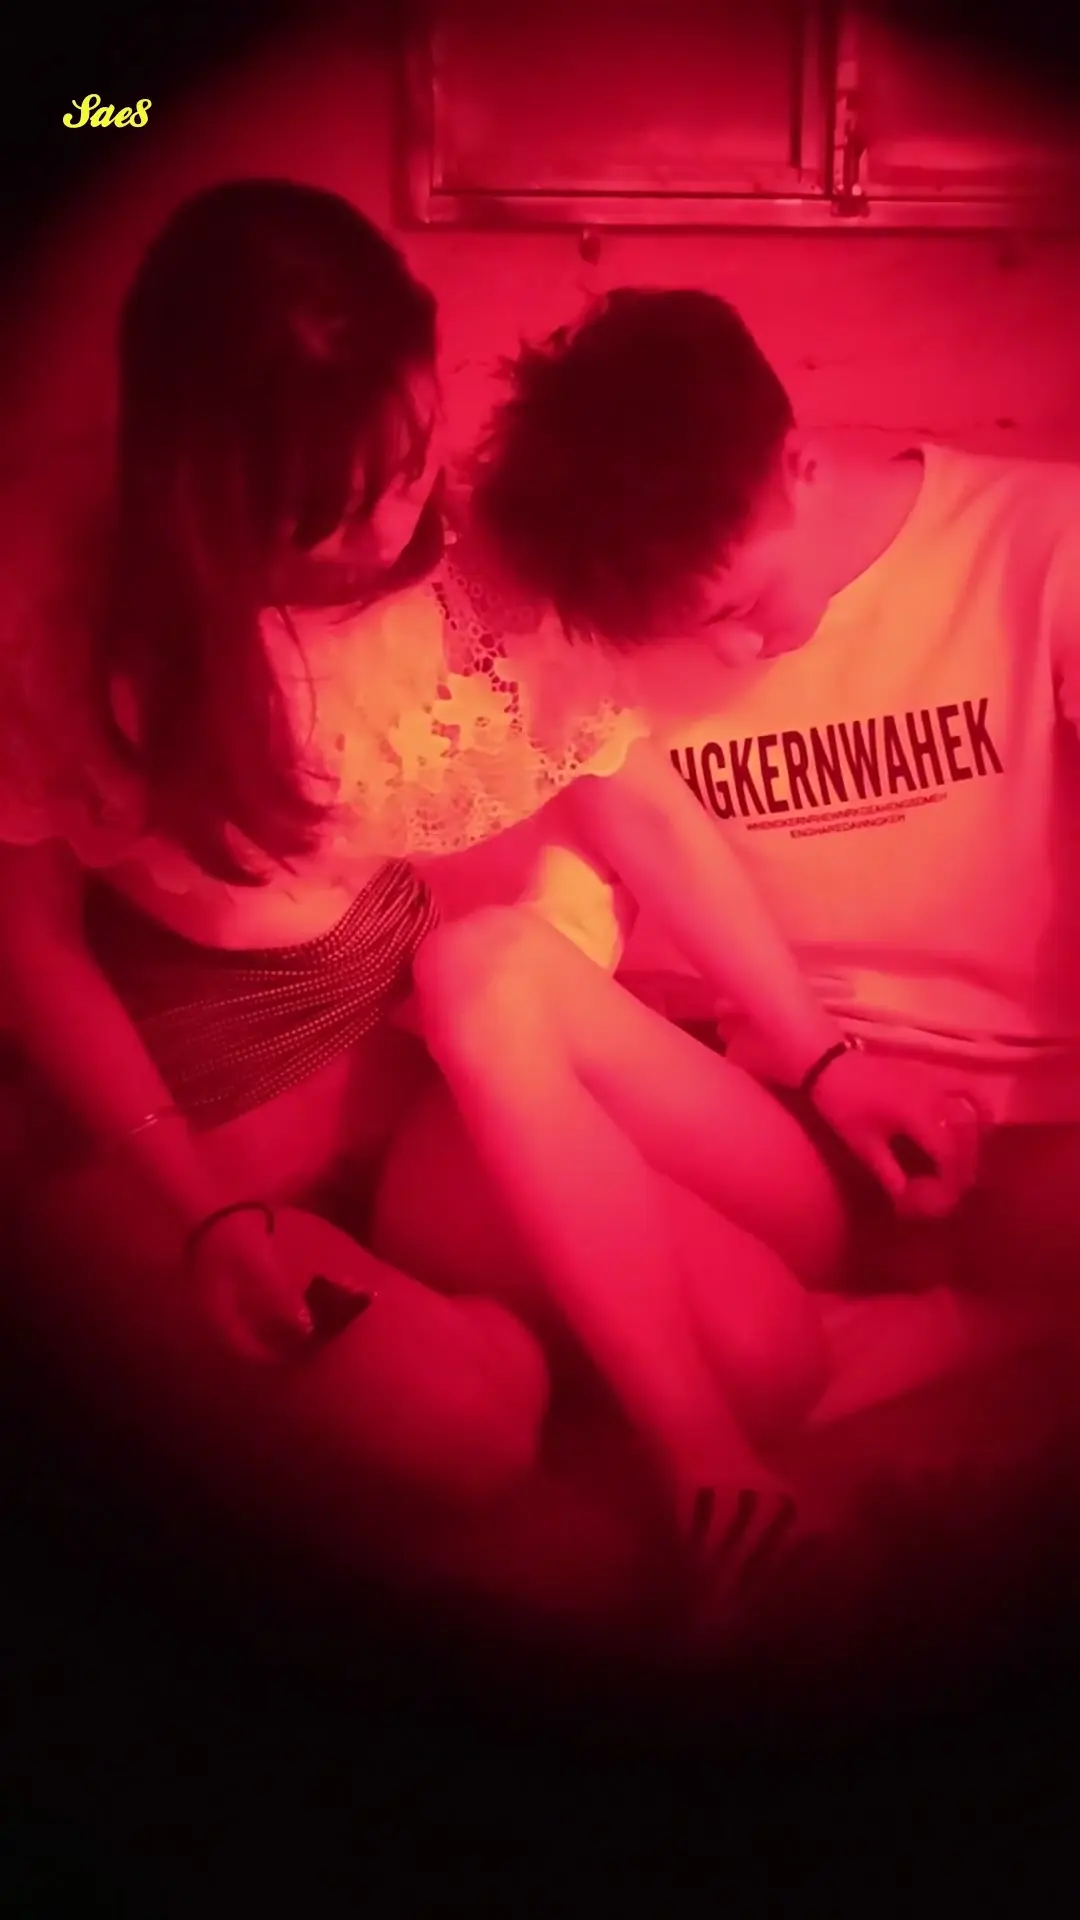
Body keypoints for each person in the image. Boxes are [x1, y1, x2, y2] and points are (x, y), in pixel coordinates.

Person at [0, 185, 968, 1616]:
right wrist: (198, 1211)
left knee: (764, 1357)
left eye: (406, 458)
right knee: (468, 1429)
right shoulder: (60, 602)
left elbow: (634, 800)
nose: (395, 520)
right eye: (330, 509)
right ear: (205, 498)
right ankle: (489, 1346)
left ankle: (585, 1345)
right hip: (194, 1120)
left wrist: (825, 1055)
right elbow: (26, 941)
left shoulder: (465, 574)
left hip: (402, 1067)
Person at [455, 284, 1080, 1360]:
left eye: (739, 606)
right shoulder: (613, 613)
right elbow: (610, 851)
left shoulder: (1044, 540)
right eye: (689, 631)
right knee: (452, 1195)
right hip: (787, 1096)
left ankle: (934, 1334)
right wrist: (823, 1065)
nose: (733, 655)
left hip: (1035, 1104)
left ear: (800, 466)